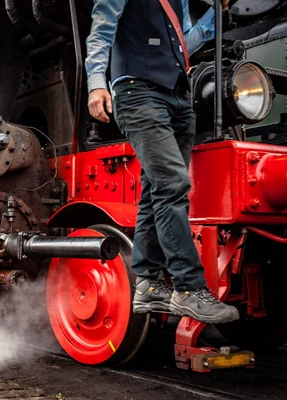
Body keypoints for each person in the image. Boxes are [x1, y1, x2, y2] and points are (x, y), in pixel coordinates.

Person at [86, 0, 239, 324]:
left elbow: (186, 42)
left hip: (177, 97)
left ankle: (148, 284)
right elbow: (101, 29)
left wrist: (216, 14)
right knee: (172, 184)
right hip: (137, 92)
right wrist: (97, 82)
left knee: (156, 190)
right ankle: (189, 288)